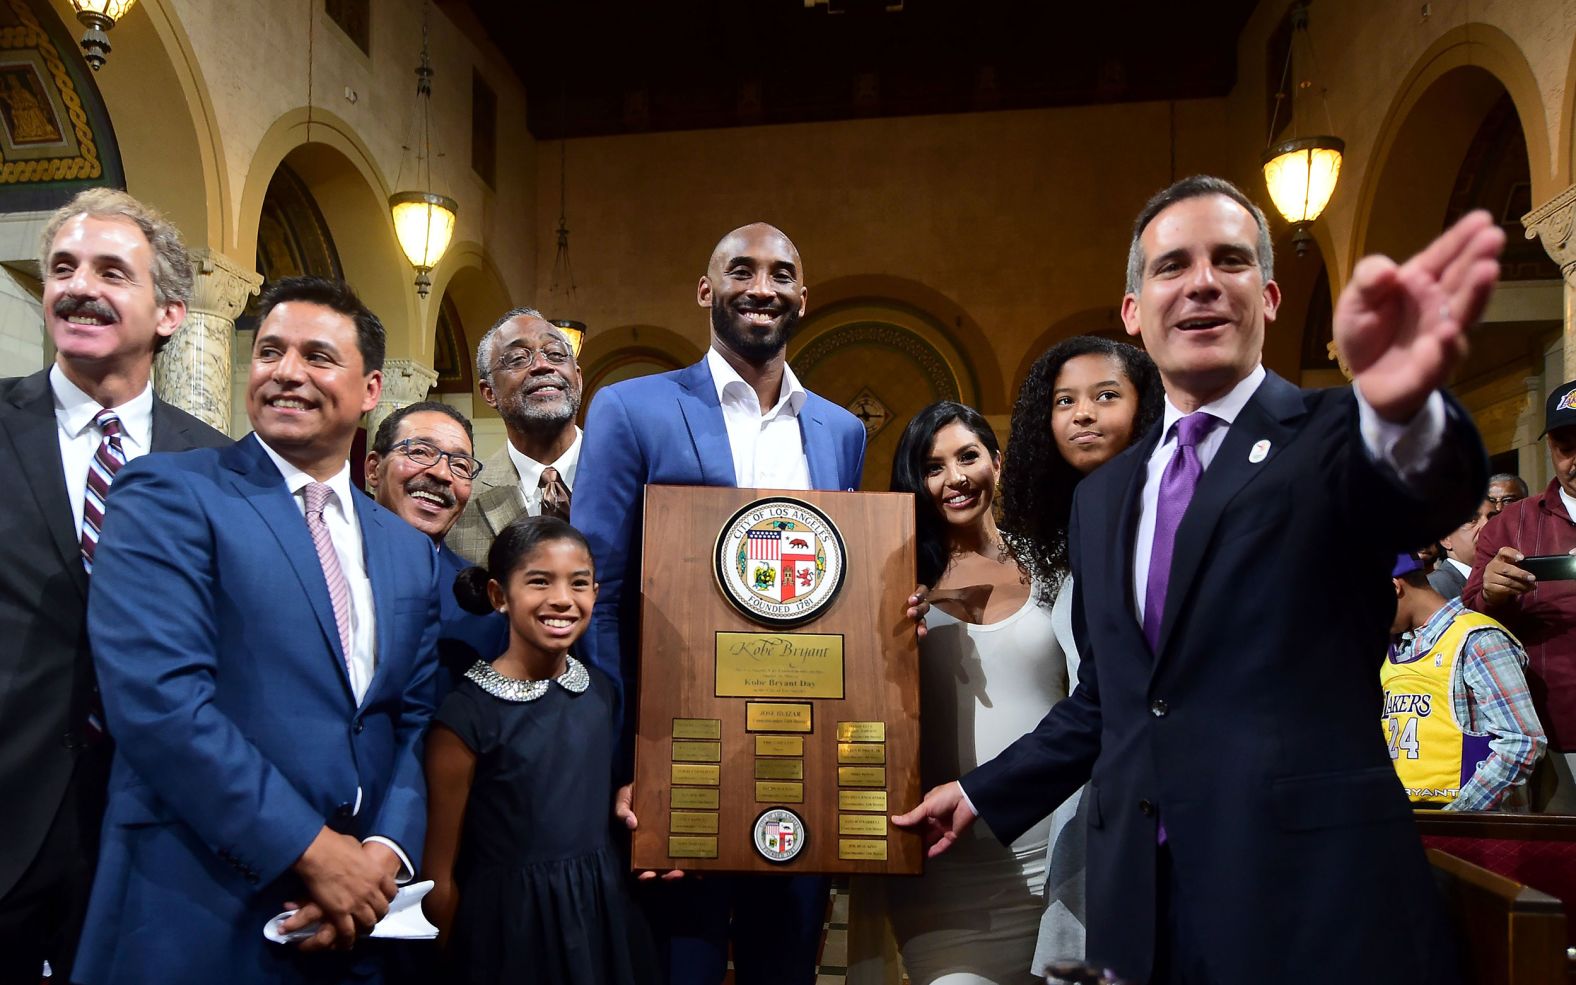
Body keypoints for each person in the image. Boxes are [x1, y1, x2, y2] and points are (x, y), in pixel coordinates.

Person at [895, 175, 1502, 985]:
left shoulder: (1331, 436)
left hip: (1307, 896)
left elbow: (1433, 488)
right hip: (1141, 905)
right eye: (1173, 265)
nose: (1203, 282)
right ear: (1134, 310)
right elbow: (1112, 698)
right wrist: (980, 791)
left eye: (1230, 260)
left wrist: (1404, 401)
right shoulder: (1106, 497)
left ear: (1270, 294)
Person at [74, 276, 443, 983]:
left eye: (316, 355)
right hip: (194, 905)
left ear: (370, 390)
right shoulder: (169, 493)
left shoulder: (406, 549)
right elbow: (159, 701)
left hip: (352, 924)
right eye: (269, 350)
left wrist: (382, 854)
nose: (286, 371)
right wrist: (314, 851)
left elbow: (412, 719)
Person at [574, 222, 871, 985]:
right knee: (680, 969)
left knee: (789, 968)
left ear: (803, 296)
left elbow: (837, 591)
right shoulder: (631, 407)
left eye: (781, 273)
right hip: (678, 763)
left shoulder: (838, 429)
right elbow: (596, 597)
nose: (762, 287)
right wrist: (624, 761)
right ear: (708, 291)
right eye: (742, 270)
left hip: (797, 759)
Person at [0, 188, 229, 985]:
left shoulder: (218, 468)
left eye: (109, 270)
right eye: (62, 268)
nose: (78, 286)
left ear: (169, 312)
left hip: (160, 826)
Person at [421, 515, 656, 984]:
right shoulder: (465, 717)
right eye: (539, 582)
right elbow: (439, 874)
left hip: (600, 912)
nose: (562, 600)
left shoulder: (600, 691)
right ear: (498, 596)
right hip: (510, 929)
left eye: (579, 583)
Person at [998, 337, 1161, 981]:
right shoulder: (1074, 527)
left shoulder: (1153, 512)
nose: (1082, 414)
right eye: (1065, 401)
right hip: (1088, 786)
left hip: (1145, 788)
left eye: (1105, 396)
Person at [1465, 380, 1576, 810]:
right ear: (1549, 445)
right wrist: (1491, 594)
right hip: (1554, 731)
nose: (1573, 459)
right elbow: (1470, 616)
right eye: (1564, 446)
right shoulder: (1510, 525)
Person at [366, 400, 507, 699]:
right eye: (420, 452)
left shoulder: (487, 606)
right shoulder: (318, 566)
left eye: (460, 465)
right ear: (374, 469)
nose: (443, 474)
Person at [1386, 553, 1544, 810]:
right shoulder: (1394, 649)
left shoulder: (1478, 639)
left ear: (1394, 587)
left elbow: (1522, 742)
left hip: (1471, 826)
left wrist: (1458, 815)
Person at [447, 310, 582, 563]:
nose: (543, 365)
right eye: (518, 358)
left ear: (579, 378)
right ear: (489, 393)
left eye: (555, 354)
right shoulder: (459, 501)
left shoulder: (632, 478)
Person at [1428, 505, 1486, 599]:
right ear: (1445, 538)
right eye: (1471, 520)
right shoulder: (1433, 587)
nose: (1487, 525)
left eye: (1494, 518)